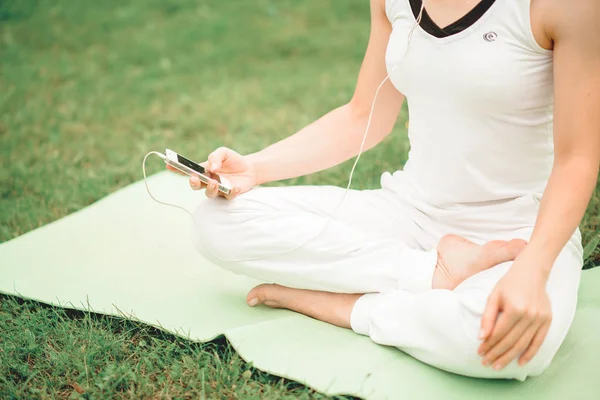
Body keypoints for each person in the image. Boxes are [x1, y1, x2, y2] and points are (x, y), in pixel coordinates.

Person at [167, 0, 600, 380]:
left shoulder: (564, 5)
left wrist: (535, 268)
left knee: (507, 347)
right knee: (217, 223)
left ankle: (343, 306)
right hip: (407, 212)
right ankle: (432, 275)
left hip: (517, 234)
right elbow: (363, 116)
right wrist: (255, 168)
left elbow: (577, 158)